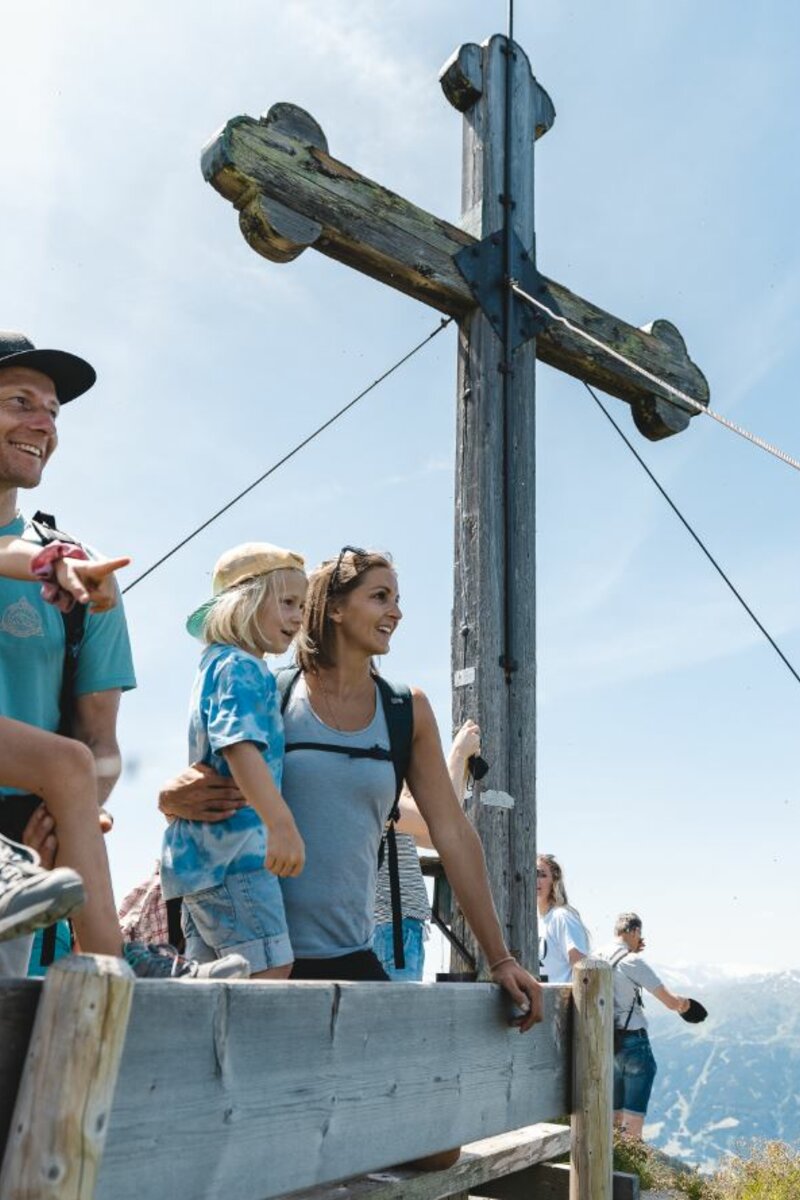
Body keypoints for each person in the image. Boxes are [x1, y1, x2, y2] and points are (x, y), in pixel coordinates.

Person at [0, 331, 247, 980]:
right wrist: (47, 562)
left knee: (71, 762)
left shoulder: (89, 580)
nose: (42, 423)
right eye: (19, 400)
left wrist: (60, 820)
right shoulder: (59, 563)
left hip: (21, 862)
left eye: (52, 410)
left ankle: (114, 974)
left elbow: (99, 751)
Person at [161, 542, 308, 979]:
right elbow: (238, 745)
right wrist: (281, 824)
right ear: (245, 603)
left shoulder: (212, 664)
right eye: (286, 603)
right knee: (270, 969)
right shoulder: (244, 668)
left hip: (198, 864)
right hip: (237, 855)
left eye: (301, 605)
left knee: (210, 984)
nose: (298, 617)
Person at [372, 719, 481, 981]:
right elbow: (440, 822)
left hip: (397, 931)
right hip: (390, 932)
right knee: (395, 1020)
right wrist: (457, 754)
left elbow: (435, 837)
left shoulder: (387, 795)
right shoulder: (381, 794)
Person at [599, 912, 707, 1140]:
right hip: (632, 1042)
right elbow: (670, 1001)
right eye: (640, 935)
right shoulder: (632, 961)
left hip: (605, 1041)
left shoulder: (596, 956)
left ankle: (613, 1160)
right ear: (635, 931)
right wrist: (687, 1005)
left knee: (613, 1113)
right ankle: (631, 1163)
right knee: (633, 1117)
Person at [536, 853, 590, 983]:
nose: (535, 879)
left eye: (542, 875)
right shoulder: (535, 922)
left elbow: (583, 971)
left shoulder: (562, 917)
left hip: (561, 1001)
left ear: (554, 881)